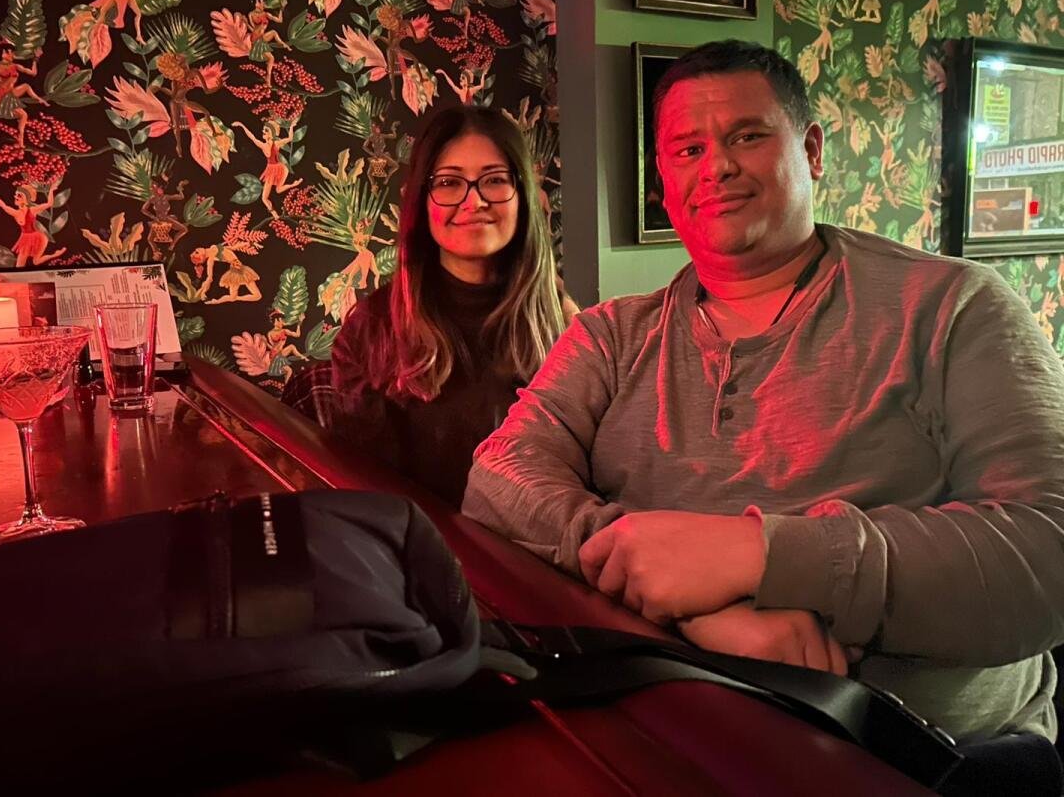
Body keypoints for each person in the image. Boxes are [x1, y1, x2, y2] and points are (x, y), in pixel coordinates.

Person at [463, 40, 1064, 748]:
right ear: (662, 177)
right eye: (685, 150)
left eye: (747, 136)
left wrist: (757, 556)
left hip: (920, 758)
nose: (716, 165)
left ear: (810, 150)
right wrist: (679, 596)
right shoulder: (610, 334)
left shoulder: (954, 308)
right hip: (665, 735)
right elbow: (497, 480)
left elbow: (1047, 549)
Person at [330, 105, 574, 508]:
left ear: (523, 196)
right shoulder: (372, 327)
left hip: (542, 559)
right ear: (422, 203)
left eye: (494, 180)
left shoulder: (566, 323)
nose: (474, 201)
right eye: (449, 182)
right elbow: (366, 496)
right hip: (425, 559)